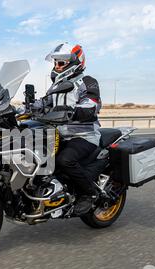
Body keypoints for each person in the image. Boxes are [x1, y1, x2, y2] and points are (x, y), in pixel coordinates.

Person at [40, 43, 102, 214]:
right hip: (59, 135)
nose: (57, 67)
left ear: (76, 62)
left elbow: (92, 105)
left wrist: (72, 112)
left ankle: (88, 194)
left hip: (84, 135)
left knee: (65, 160)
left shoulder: (87, 82)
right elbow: (44, 103)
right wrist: (22, 109)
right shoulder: (56, 86)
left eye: (61, 63)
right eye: (55, 63)